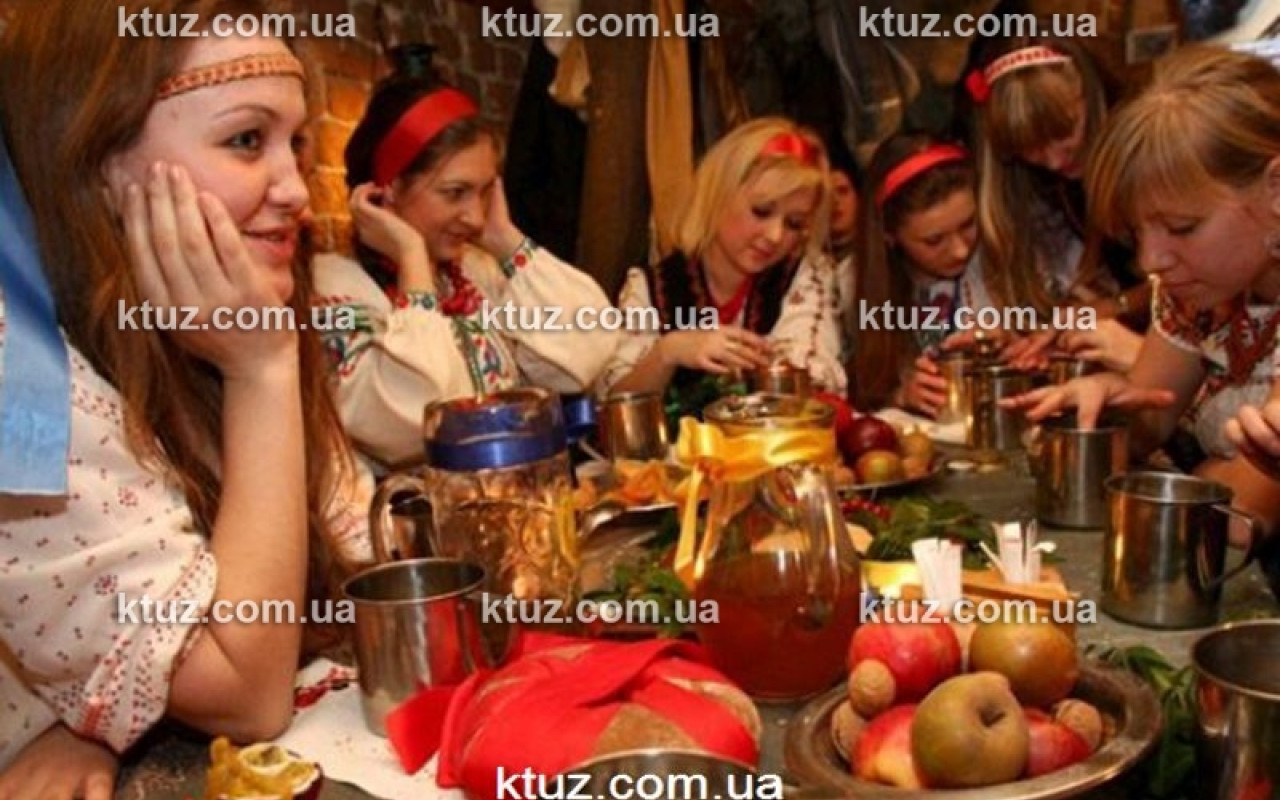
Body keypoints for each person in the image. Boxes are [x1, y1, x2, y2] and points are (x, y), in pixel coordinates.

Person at [0, 1, 368, 795]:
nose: (297, 190)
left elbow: (353, 558)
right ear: (101, 161)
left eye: (297, 143)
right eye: (246, 140)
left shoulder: (223, 314)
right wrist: (261, 372)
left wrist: (113, 714)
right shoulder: (20, 379)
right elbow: (245, 689)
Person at [1004, 45, 1280, 543]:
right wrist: (1107, 411)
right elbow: (1149, 424)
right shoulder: (1195, 291)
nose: (1151, 261)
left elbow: (1241, 519)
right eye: (1137, 233)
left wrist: (1205, 474)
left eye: (1181, 227)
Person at [313, 49, 618, 469]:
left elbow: (586, 353)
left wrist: (504, 238)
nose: (475, 217)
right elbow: (415, 422)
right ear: (388, 189)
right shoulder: (336, 290)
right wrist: (411, 258)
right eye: (455, 192)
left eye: (485, 191)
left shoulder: (475, 272)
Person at [600, 117, 844, 406]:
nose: (775, 236)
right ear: (717, 194)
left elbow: (813, 381)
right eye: (761, 211)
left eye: (794, 223)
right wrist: (668, 352)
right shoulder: (649, 287)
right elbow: (615, 405)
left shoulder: (806, 275)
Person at [845, 133, 996, 416]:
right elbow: (855, 394)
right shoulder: (848, 285)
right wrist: (900, 396)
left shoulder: (1004, 265)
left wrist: (1015, 337)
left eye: (968, 224)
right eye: (934, 241)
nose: (961, 250)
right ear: (889, 235)